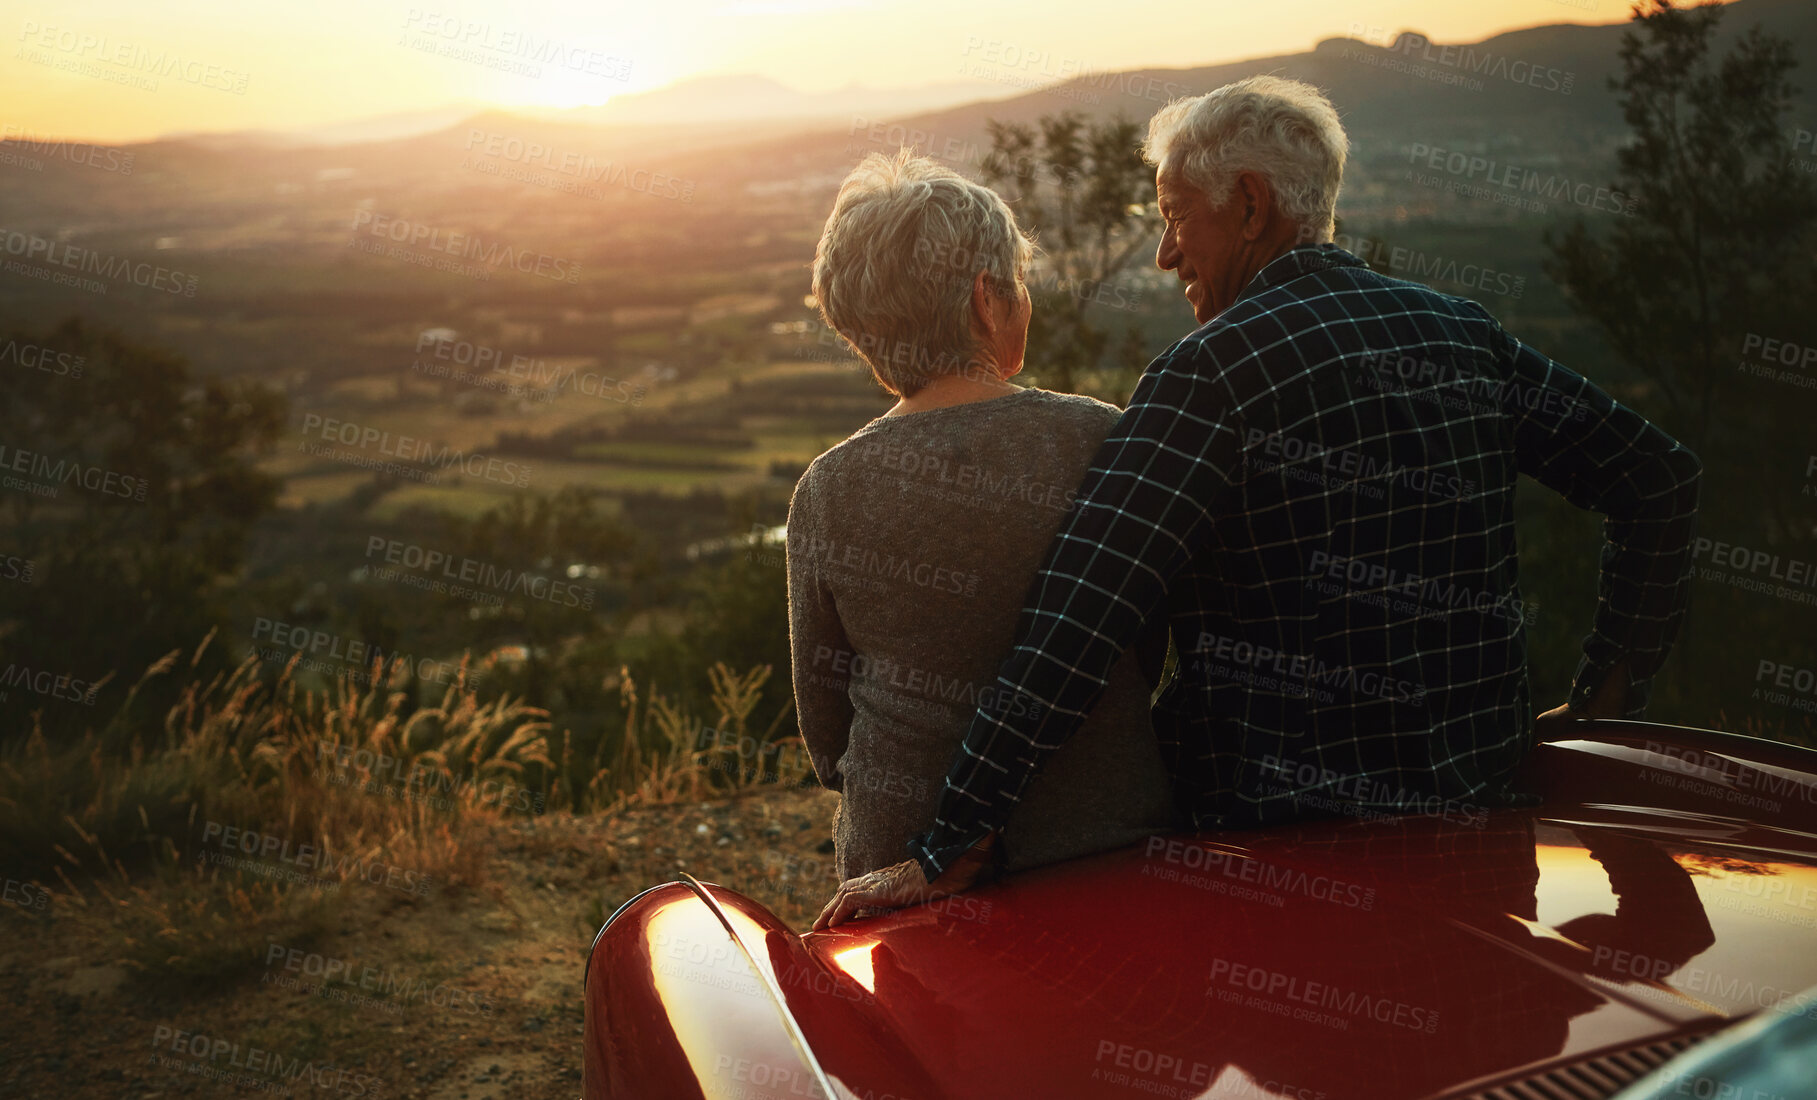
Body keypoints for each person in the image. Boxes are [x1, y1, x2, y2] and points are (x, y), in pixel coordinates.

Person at [815, 75, 1701, 928]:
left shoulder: (1209, 376)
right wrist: (1607, 688)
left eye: (1172, 219)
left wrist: (952, 841)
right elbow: (1655, 477)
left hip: (1281, 872)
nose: (1165, 254)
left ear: (1247, 204)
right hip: (1481, 837)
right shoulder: (1461, 335)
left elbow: (1076, 623)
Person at [788, 150, 1177, 890]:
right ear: (986, 301)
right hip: (1104, 843)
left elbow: (825, 729)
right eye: (1018, 286)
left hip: (900, 861)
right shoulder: (1102, 439)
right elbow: (1142, 644)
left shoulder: (827, 490)